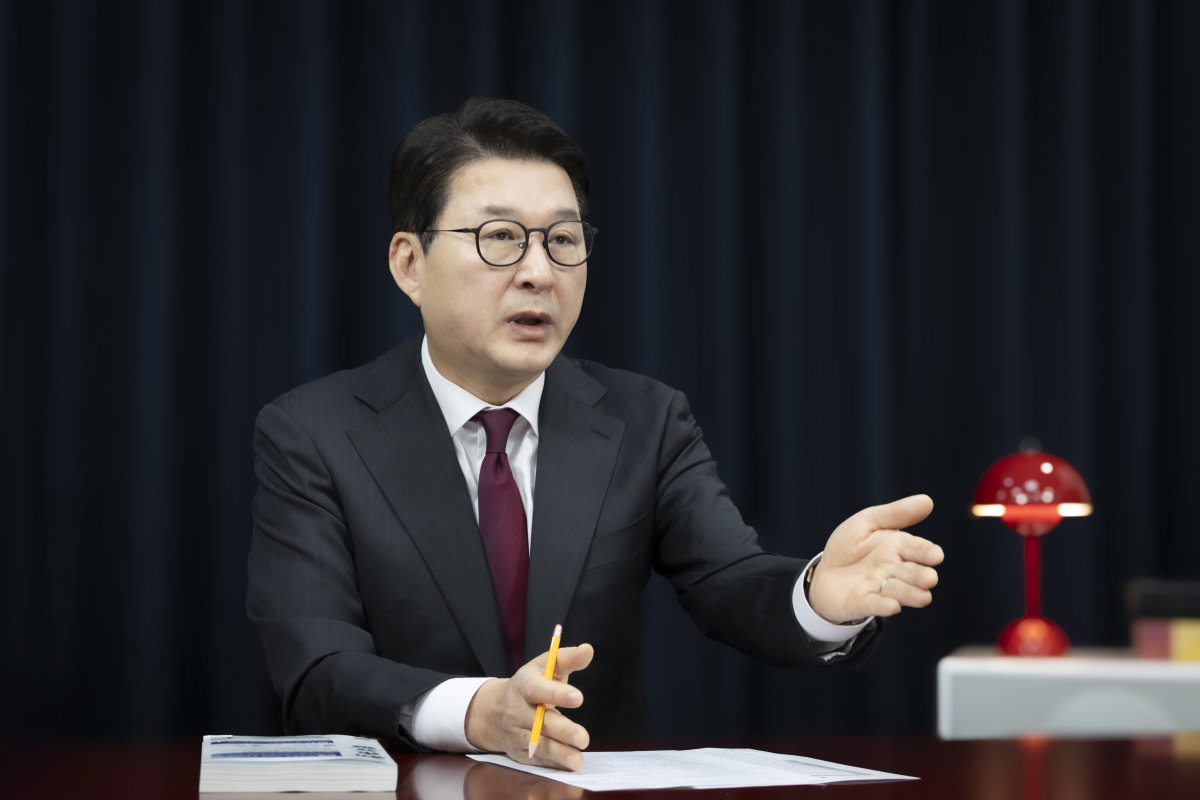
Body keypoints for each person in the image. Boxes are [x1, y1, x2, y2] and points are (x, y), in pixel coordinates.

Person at [247, 97, 944, 772]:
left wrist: (817, 598)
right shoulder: (313, 433)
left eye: (562, 240)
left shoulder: (646, 419)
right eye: (499, 238)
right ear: (409, 264)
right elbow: (317, 666)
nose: (538, 272)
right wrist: (479, 712)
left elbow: (728, 582)